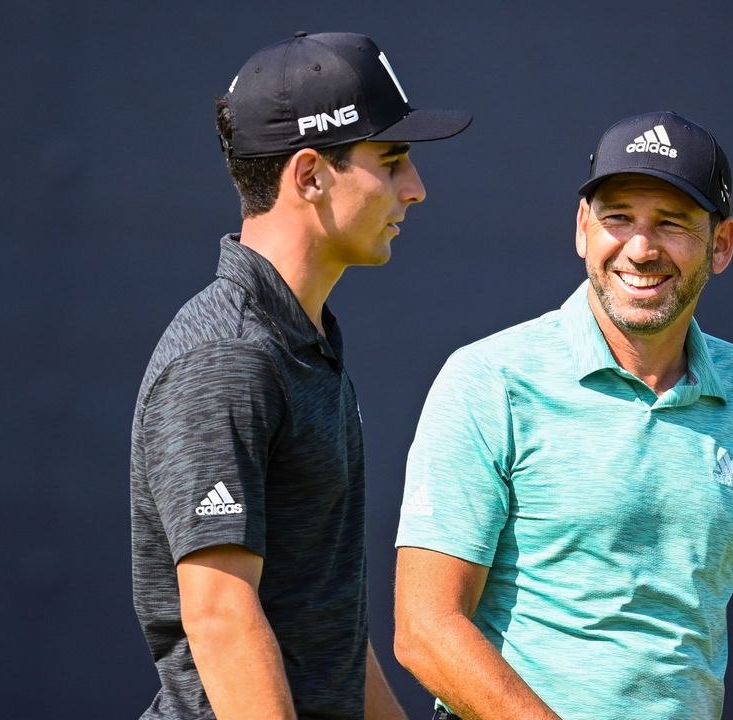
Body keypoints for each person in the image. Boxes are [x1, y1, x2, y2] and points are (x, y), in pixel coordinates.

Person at [393, 111, 733, 720]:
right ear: (582, 229)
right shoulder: (489, 378)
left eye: (672, 223)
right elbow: (426, 627)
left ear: (722, 244)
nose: (641, 249)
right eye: (617, 218)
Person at [129, 31, 470, 720]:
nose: (417, 189)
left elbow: (327, 625)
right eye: (393, 160)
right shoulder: (227, 356)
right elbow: (221, 613)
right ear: (310, 175)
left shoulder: (301, 341)